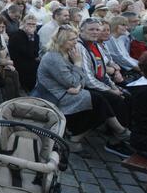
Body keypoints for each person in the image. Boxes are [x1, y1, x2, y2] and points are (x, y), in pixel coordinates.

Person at [35, 25, 132, 158]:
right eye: (71, 40)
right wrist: (78, 63)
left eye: (75, 39)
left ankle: (78, 139)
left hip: (69, 92)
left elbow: (80, 81)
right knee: (98, 101)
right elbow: (73, 81)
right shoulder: (53, 57)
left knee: (104, 101)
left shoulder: (67, 52)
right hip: (55, 96)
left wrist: (78, 86)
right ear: (61, 41)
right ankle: (120, 132)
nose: (75, 42)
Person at [8, 14, 40, 92]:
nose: (31, 26)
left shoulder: (36, 35)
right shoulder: (17, 35)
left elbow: (35, 53)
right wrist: (31, 37)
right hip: (18, 62)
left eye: (33, 24)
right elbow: (28, 53)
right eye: (29, 24)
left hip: (30, 61)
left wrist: (32, 36)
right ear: (23, 24)